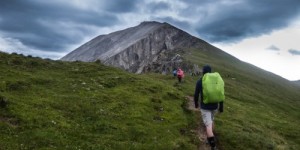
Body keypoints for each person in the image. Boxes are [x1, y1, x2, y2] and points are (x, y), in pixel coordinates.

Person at [194, 65, 223, 150]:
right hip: (215, 106)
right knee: (212, 120)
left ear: (203, 71)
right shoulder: (216, 81)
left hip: (205, 107)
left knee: (208, 125)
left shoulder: (200, 81)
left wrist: (196, 104)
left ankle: (213, 146)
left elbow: (196, 94)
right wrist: (221, 106)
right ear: (211, 72)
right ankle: (210, 138)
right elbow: (220, 93)